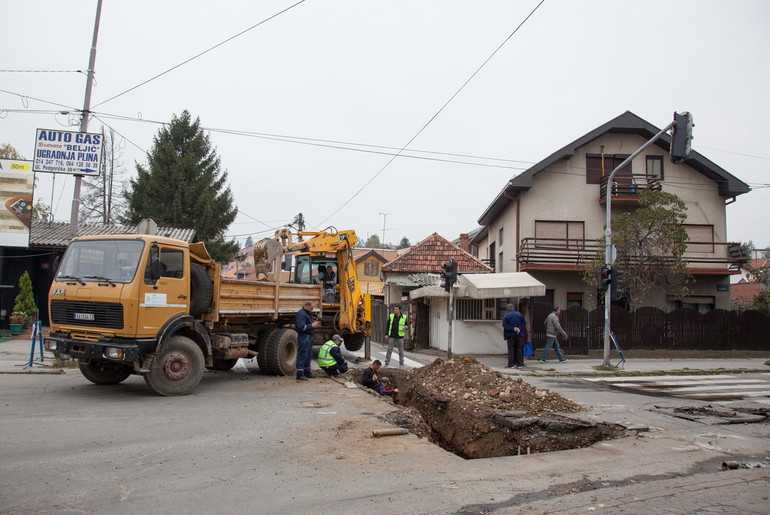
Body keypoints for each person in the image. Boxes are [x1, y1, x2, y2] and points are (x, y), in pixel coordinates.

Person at [295, 301, 321, 381]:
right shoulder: (301, 314)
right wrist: (312, 325)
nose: (312, 310)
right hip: (304, 336)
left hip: (308, 336)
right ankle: (300, 374)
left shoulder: (307, 313)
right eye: (311, 308)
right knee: (303, 354)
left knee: (308, 354)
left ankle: (307, 372)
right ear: (307, 306)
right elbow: (301, 327)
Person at [502, 303, 527, 369]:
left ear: (507, 309)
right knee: (519, 349)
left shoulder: (506, 316)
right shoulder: (519, 314)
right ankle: (519, 363)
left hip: (510, 335)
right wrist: (519, 328)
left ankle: (511, 364)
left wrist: (513, 328)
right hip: (519, 334)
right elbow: (524, 323)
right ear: (513, 308)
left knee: (511, 349)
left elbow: (505, 325)